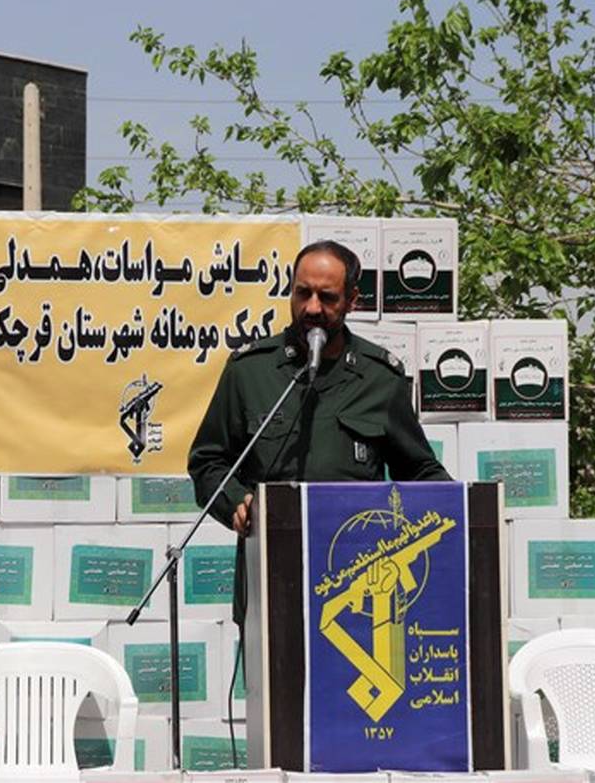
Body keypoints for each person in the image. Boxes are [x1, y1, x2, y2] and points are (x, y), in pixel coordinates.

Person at [187, 239, 451, 622]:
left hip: (358, 588)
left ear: (352, 301)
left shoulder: (380, 378)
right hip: (270, 585)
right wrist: (236, 504)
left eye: (327, 298)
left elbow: (419, 469)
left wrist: (462, 509)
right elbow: (209, 462)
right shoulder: (249, 372)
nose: (312, 308)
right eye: (302, 293)